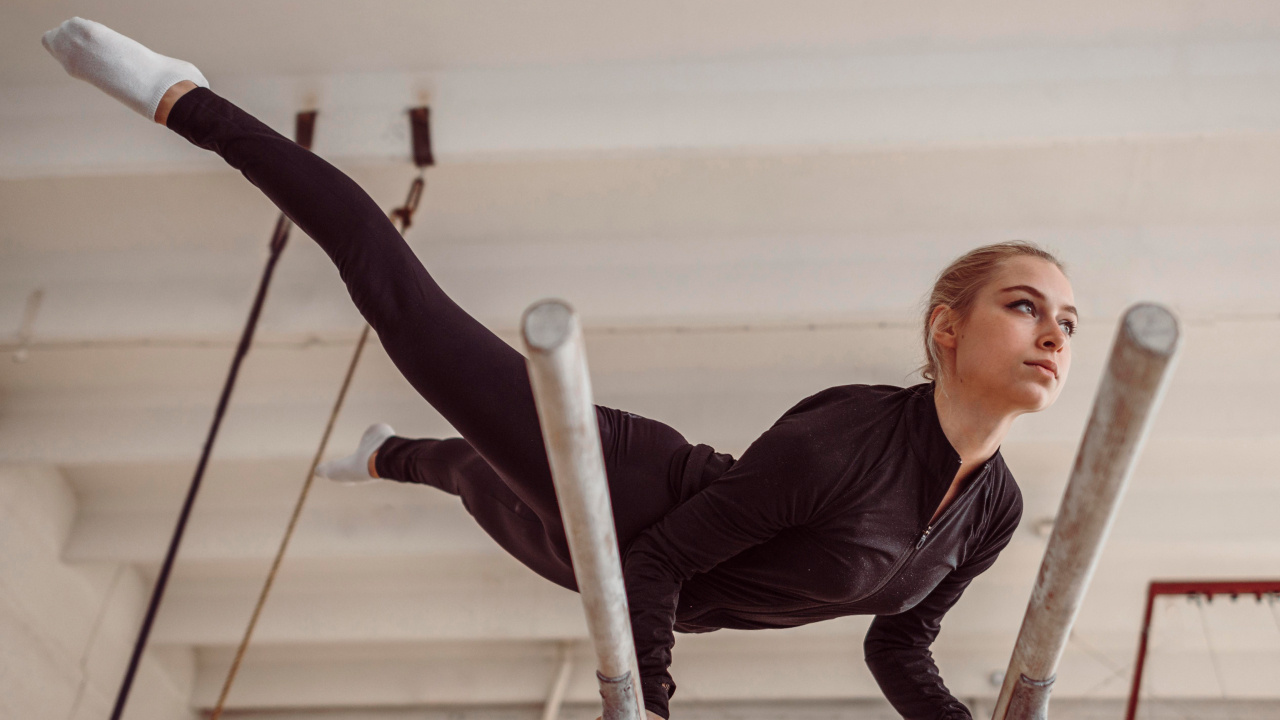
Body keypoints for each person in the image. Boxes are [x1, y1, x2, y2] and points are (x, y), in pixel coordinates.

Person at [42, 18, 1077, 720]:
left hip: (601, 574)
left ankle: (395, 456)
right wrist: (649, 703)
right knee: (401, 301)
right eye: (1022, 305)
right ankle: (188, 100)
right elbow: (660, 563)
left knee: (474, 482)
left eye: (1067, 322)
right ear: (946, 329)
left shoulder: (989, 512)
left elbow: (896, 647)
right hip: (632, 507)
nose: (1051, 335)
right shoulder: (846, 441)